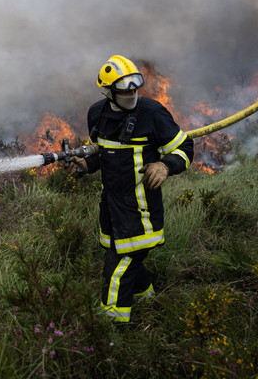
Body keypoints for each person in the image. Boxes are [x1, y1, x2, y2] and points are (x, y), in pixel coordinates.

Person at [68, 54, 194, 324]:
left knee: (118, 267)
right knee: (126, 257)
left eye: (136, 85)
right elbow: (105, 154)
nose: (132, 92)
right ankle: (149, 300)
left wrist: (165, 165)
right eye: (125, 88)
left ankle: (112, 328)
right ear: (108, 91)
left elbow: (185, 148)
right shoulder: (96, 114)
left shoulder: (152, 113)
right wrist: (87, 165)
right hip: (111, 207)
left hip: (140, 209)